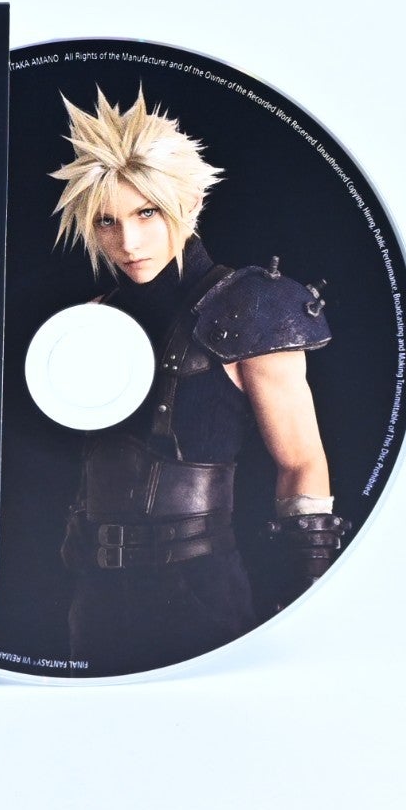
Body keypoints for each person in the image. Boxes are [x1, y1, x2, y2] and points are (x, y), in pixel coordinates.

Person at [51, 88, 348, 674]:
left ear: (186, 203)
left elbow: (302, 464)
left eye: (146, 213)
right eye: (107, 221)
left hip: (200, 594)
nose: (128, 242)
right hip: (96, 598)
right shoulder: (95, 317)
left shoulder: (251, 307)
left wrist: (307, 600)